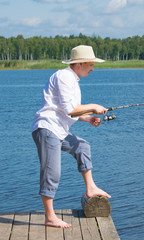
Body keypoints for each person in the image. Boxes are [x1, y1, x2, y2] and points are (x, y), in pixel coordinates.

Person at [32, 45, 111, 228]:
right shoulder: (64, 76)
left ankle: (91, 187)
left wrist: (89, 118)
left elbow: (70, 112)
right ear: (80, 64)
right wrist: (93, 106)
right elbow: (70, 109)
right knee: (52, 172)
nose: (93, 68)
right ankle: (50, 217)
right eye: (91, 64)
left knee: (82, 146)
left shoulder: (73, 80)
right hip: (47, 128)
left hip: (59, 130)